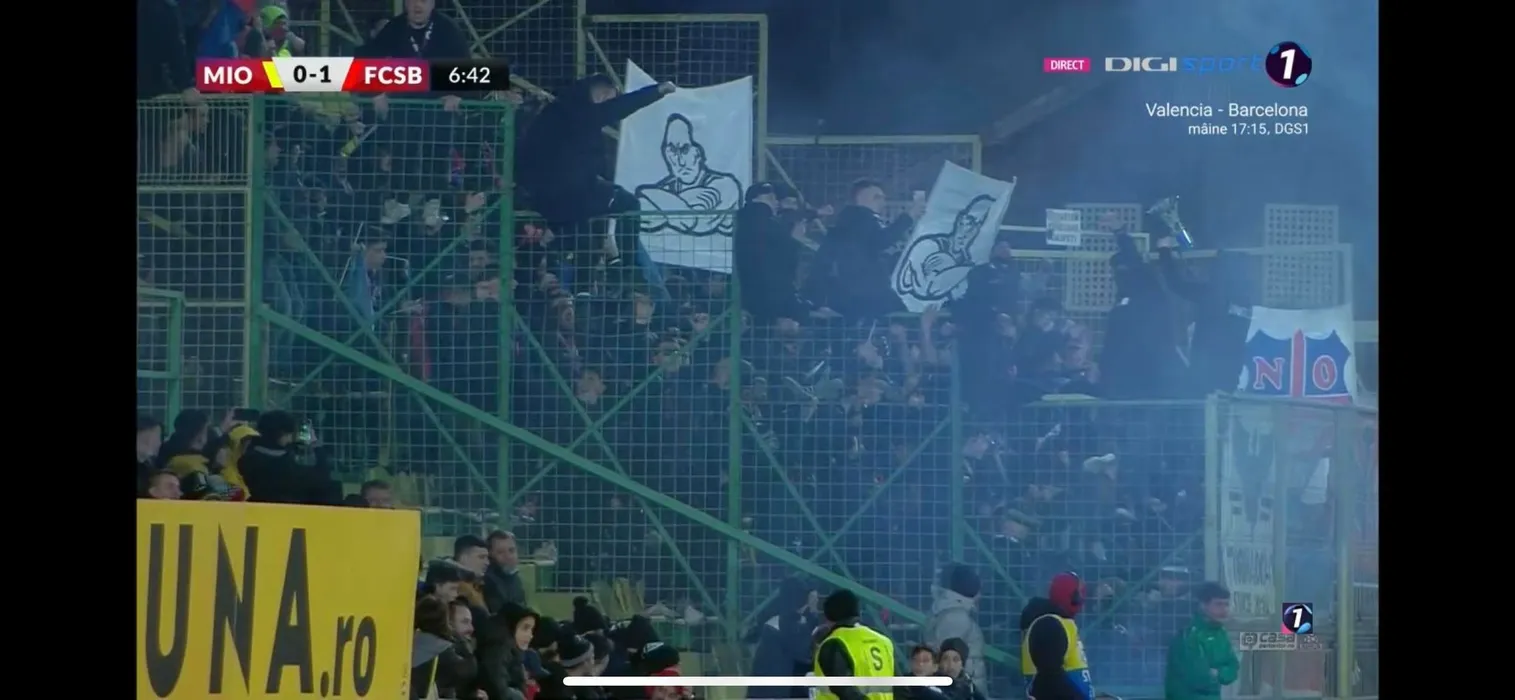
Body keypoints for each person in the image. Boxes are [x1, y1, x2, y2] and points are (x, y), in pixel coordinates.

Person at [517, 74, 675, 298]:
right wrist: (656, 91)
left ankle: (586, 288)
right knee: (623, 207)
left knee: (589, 229)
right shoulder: (578, 111)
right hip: (567, 194)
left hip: (558, 192)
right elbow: (619, 108)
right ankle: (625, 270)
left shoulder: (558, 111)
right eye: (610, 98)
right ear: (602, 94)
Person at [807, 179, 922, 319]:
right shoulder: (860, 219)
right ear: (861, 198)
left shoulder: (847, 223)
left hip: (851, 293)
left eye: (883, 198)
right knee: (904, 318)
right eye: (877, 197)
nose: (882, 202)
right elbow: (881, 240)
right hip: (866, 293)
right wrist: (908, 217)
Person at [1017, 572, 1095, 700]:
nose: (1082, 600)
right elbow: (1050, 677)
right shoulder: (1049, 625)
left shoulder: (1060, 623)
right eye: (1080, 594)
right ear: (1071, 596)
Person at [812, 589, 895, 700]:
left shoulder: (833, 644)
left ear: (828, 617)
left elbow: (846, 691)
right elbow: (901, 689)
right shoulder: (883, 641)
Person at [1163, 582, 1239, 700]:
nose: (1224, 610)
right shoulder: (1189, 635)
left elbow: (1233, 666)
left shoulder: (1221, 633)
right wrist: (1222, 673)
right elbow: (1199, 678)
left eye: (1226, 604)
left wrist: (1218, 673)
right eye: (1218, 604)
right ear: (1203, 605)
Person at [747, 577, 821, 698]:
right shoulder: (786, 626)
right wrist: (812, 615)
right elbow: (804, 654)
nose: (817, 600)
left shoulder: (782, 621)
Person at [925, 565, 985, 684]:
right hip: (962, 687)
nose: (981, 595)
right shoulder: (956, 617)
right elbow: (949, 664)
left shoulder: (950, 611)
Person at [478, 601, 539, 700]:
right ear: (511, 625)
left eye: (532, 630)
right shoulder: (498, 647)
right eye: (525, 628)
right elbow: (498, 688)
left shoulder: (510, 650)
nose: (530, 635)